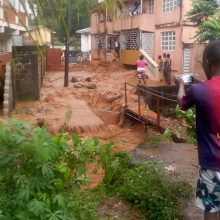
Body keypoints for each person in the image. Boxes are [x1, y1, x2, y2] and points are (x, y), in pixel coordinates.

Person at [177, 40, 220, 220]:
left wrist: (181, 84)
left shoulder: (197, 90)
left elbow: (182, 102)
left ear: (207, 63)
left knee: (210, 209)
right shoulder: (202, 88)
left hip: (211, 164)